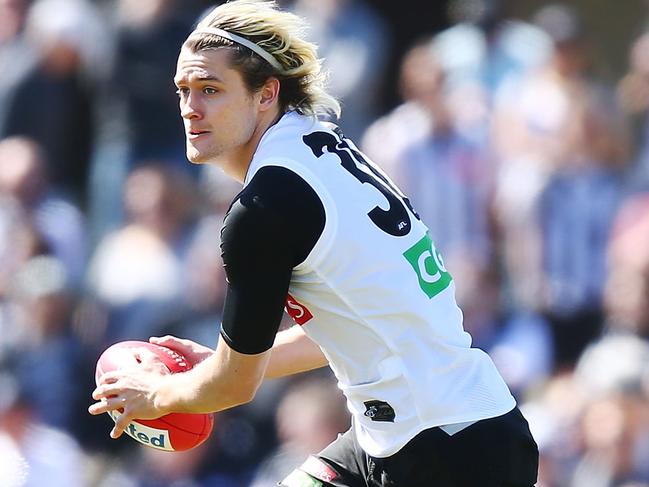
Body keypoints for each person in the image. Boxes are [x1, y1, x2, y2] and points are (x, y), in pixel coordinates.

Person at [89, 1, 539, 485]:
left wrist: (155, 394)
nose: (189, 108)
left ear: (266, 94)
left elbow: (235, 385)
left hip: (450, 449)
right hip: (418, 432)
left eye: (211, 90)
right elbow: (349, 320)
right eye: (184, 90)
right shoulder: (316, 143)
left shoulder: (265, 207)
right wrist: (217, 361)